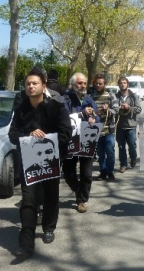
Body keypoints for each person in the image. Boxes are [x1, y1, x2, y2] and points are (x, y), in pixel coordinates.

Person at [8, 66, 71, 258]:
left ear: (43, 86)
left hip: (50, 160)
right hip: (28, 162)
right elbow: (12, 134)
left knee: (51, 194)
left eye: (34, 83)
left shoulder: (56, 107)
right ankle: (26, 242)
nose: (30, 86)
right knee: (28, 200)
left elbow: (66, 134)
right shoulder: (21, 109)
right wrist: (28, 135)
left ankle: (49, 227)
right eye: (27, 84)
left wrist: (45, 139)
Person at [62, 73, 100, 213]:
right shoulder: (65, 99)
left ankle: (82, 200)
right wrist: (81, 114)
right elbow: (64, 117)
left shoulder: (89, 99)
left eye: (84, 83)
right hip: (71, 140)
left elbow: (97, 117)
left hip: (86, 140)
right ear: (73, 84)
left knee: (87, 173)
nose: (82, 86)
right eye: (79, 83)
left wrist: (93, 119)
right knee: (68, 172)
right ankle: (78, 190)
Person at [89, 73, 119, 181]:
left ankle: (110, 172)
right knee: (100, 153)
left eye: (100, 83)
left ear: (105, 84)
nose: (98, 85)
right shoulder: (91, 97)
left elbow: (116, 110)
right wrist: (92, 113)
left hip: (109, 129)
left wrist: (108, 110)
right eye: (96, 83)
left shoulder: (111, 95)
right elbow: (88, 111)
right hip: (96, 129)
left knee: (110, 151)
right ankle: (103, 171)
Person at [115, 76, 142, 173]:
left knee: (132, 145)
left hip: (131, 125)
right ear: (118, 85)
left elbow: (139, 109)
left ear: (127, 84)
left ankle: (133, 158)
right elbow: (113, 109)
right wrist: (119, 108)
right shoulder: (115, 96)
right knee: (121, 146)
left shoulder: (133, 96)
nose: (122, 84)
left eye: (124, 83)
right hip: (120, 125)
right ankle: (123, 164)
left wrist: (129, 107)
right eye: (121, 83)